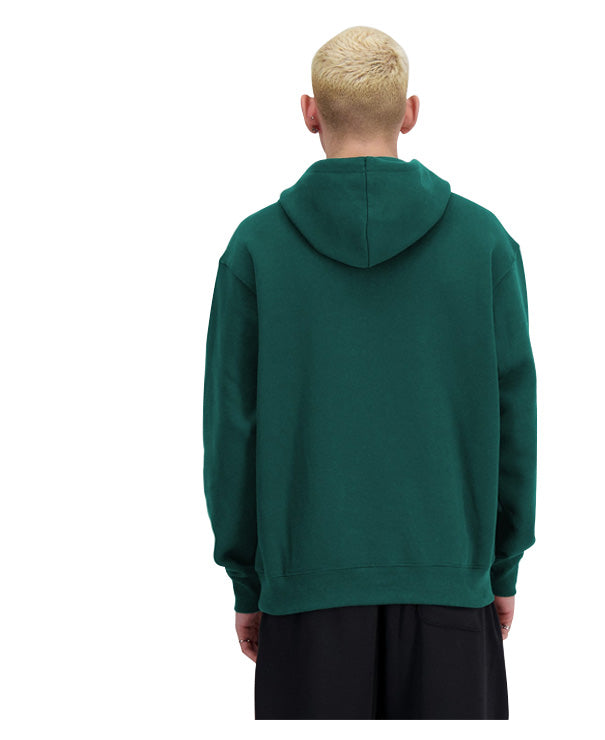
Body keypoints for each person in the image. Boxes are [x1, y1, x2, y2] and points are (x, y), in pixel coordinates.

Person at [202, 25, 537, 720]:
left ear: (310, 112)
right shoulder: (484, 244)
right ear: (409, 113)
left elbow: (231, 432)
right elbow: (515, 421)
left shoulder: (255, 250)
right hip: (451, 592)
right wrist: (501, 568)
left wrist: (249, 583)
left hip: (305, 599)